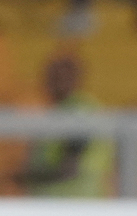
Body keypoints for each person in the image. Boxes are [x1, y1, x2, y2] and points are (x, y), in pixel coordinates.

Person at [18, 54, 115, 197]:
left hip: (72, 204)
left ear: (76, 79)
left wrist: (21, 178)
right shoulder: (60, 111)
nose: (52, 82)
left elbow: (69, 168)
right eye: (50, 76)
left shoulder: (79, 111)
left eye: (59, 77)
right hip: (65, 205)